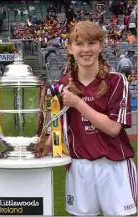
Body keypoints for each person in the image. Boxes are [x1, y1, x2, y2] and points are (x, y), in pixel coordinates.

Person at [36, 21, 137, 216]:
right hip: (79, 165)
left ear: (100, 45)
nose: (86, 50)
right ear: (70, 48)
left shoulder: (116, 80)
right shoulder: (65, 84)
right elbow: (61, 120)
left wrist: (78, 103)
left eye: (91, 43)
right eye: (80, 44)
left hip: (114, 165)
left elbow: (113, 128)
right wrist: (48, 145)